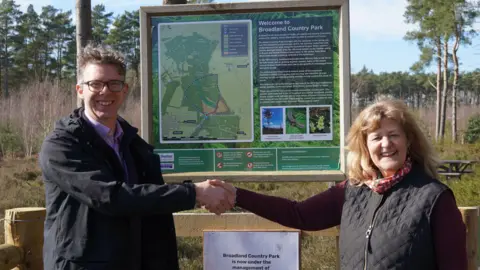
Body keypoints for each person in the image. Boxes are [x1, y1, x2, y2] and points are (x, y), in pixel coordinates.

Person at [38, 43, 234, 270]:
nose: (105, 91)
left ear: (125, 89)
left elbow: (151, 207)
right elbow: (109, 196)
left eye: (114, 84)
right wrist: (194, 193)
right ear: (80, 90)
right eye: (95, 84)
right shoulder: (62, 145)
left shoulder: (134, 144)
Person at [211, 99, 468, 270]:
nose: (386, 144)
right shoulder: (352, 191)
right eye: (377, 137)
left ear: (408, 141)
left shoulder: (434, 198)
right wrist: (237, 195)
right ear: (365, 145)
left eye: (393, 135)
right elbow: (299, 214)